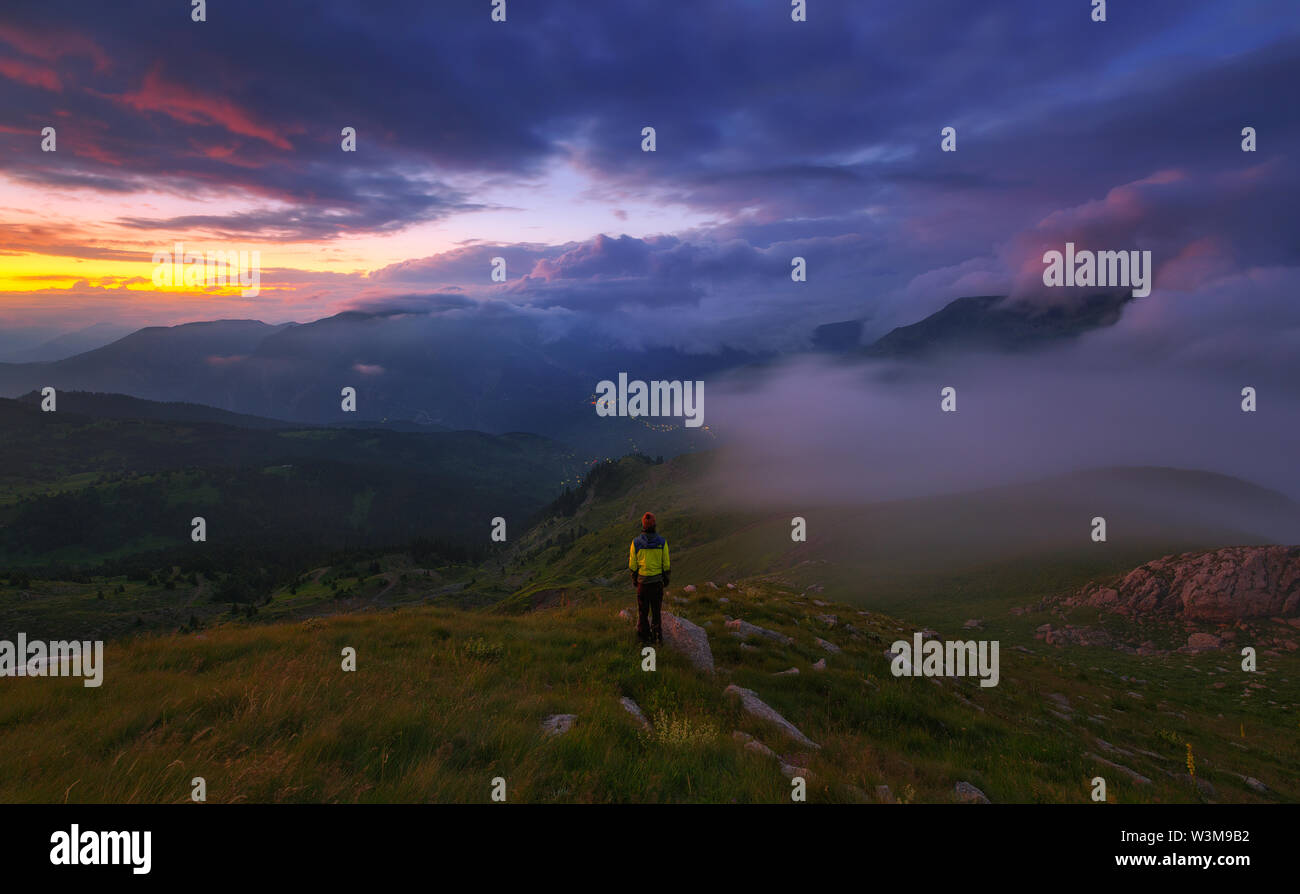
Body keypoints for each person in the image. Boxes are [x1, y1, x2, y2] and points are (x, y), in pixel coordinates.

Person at [629, 511, 670, 644]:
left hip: (643, 583)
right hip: (657, 583)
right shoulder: (662, 542)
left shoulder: (635, 543)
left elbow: (633, 565)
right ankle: (657, 637)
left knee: (643, 612)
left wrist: (635, 579)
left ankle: (643, 638)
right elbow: (666, 564)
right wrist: (666, 578)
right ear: (654, 524)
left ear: (643, 525)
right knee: (656, 611)